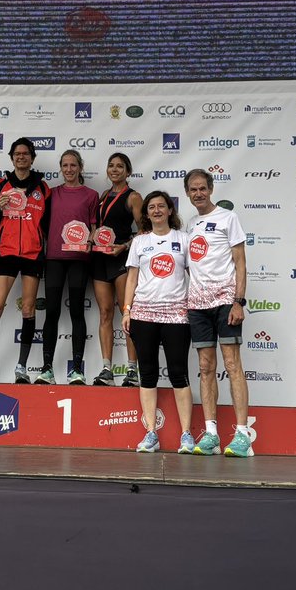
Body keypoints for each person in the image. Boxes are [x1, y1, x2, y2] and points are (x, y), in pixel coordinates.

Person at [183, 169, 253, 458]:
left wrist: (239, 301)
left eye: (203, 188)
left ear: (211, 189)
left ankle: (241, 434)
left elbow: (240, 262)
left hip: (226, 301)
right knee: (206, 366)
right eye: (193, 190)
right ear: (187, 193)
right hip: (198, 305)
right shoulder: (190, 224)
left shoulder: (228, 217)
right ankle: (211, 433)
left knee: (232, 364)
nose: (198, 193)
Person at [121, 191, 194, 454]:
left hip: (177, 315)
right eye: (151, 207)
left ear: (170, 211)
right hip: (143, 315)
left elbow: (193, 276)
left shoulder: (184, 239)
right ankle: (151, 433)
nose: (156, 210)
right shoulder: (140, 242)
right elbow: (131, 279)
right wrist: (127, 310)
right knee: (148, 375)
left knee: (179, 373)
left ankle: (187, 435)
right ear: (146, 213)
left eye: (161, 206)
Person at [0, 137, 50, 384]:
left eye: (26, 153)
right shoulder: (0, 185)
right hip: (6, 253)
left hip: (32, 254)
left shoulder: (43, 188)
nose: (21, 157)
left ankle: (21, 368)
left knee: (28, 309)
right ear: (11, 157)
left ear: (32, 157)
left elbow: (49, 225)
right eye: (17, 154)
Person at [35, 149, 96, 385]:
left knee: (77, 312)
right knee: (51, 313)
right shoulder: (51, 193)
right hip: (54, 259)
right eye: (65, 165)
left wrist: (91, 239)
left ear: (80, 167)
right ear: (61, 168)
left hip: (79, 260)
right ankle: (47, 369)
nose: (69, 169)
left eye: (73, 165)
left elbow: (94, 227)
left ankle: (77, 370)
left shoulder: (91, 195)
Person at [90, 152, 142, 387]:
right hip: (100, 259)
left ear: (128, 171)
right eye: (111, 165)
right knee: (104, 314)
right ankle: (106, 370)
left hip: (121, 259)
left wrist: (124, 246)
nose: (114, 169)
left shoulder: (133, 197)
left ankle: (132, 371)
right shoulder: (102, 196)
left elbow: (144, 231)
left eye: (120, 166)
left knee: (126, 313)